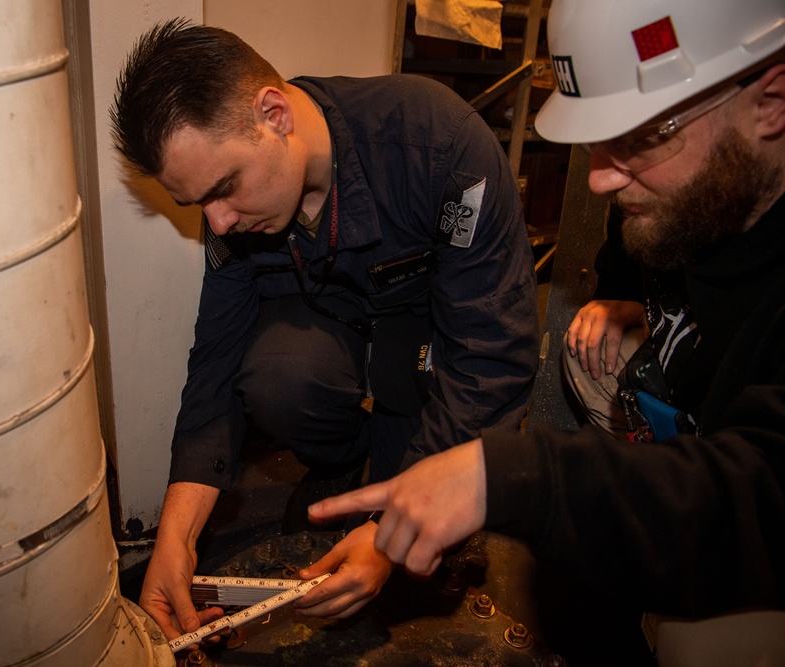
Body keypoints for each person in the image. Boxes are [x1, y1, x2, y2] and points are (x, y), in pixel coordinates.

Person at [312, 0, 785, 664]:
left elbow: (760, 494)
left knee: (707, 643)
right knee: (590, 350)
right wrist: (621, 298)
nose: (598, 177)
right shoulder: (706, 186)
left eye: (642, 137)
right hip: (708, 400)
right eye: (599, 138)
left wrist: (511, 476)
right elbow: (630, 250)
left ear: (772, 100)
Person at [109, 19, 539, 643]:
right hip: (337, 333)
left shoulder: (440, 147)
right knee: (278, 373)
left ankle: (390, 474)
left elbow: (493, 355)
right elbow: (216, 362)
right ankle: (346, 464)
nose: (220, 223)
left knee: (415, 562)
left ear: (274, 114)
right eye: (199, 204)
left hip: (428, 339)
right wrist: (176, 538)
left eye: (225, 189)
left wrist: (392, 534)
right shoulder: (233, 209)